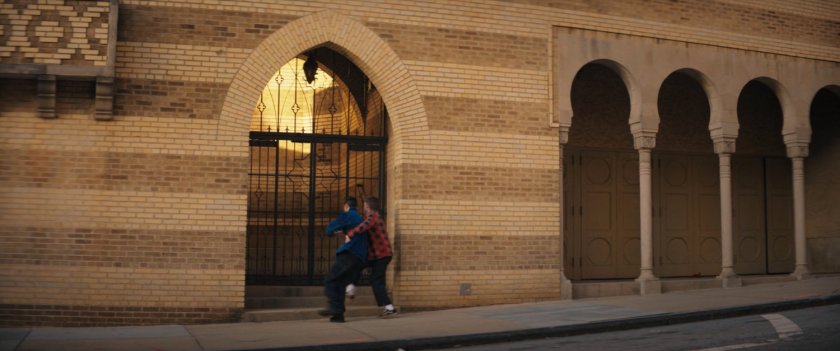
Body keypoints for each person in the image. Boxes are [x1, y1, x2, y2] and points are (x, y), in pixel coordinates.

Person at [319, 197, 367, 323]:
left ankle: (333, 307)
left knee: (330, 280)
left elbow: (330, 228)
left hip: (350, 253)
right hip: (360, 258)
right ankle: (338, 316)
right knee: (340, 283)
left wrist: (331, 232)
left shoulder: (348, 215)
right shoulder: (360, 218)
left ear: (346, 205)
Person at [346, 196, 396, 317]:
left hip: (382, 255)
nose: (363, 208)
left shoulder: (373, 216)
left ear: (368, 207)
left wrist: (350, 235)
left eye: (364, 206)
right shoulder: (372, 217)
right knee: (357, 265)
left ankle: (389, 307)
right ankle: (351, 288)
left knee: (376, 280)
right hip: (375, 255)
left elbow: (363, 227)